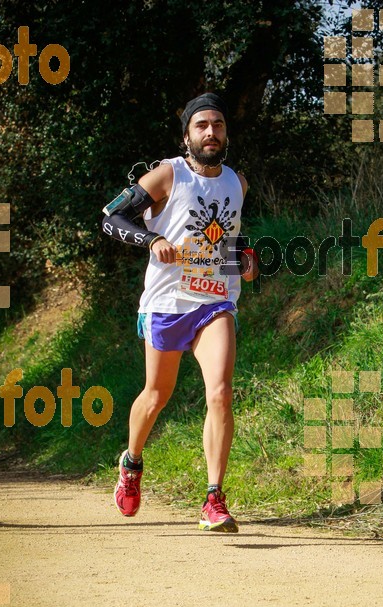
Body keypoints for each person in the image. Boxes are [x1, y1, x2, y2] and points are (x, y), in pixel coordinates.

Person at [101, 92, 258, 532]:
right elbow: (111, 217)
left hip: (215, 301)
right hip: (168, 302)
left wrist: (242, 259)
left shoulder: (237, 183)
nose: (211, 132)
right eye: (202, 125)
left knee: (221, 392)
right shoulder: (167, 175)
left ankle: (214, 499)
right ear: (187, 134)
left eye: (219, 125)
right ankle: (132, 463)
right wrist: (151, 241)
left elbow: (227, 237)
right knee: (156, 396)